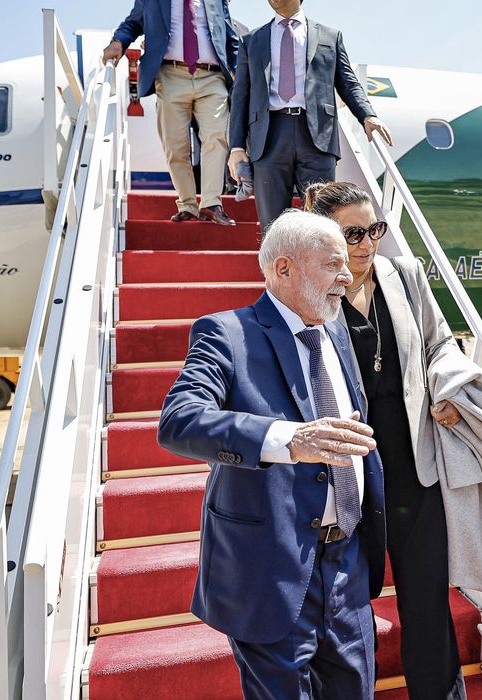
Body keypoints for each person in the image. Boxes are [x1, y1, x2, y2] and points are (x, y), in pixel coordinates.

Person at [157, 209, 387, 699]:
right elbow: (179, 421)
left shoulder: (336, 331)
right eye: (332, 264)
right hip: (270, 570)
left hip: (347, 565)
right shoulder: (226, 333)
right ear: (284, 269)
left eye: (347, 263)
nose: (348, 276)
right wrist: (287, 440)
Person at [304, 181, 480, 699]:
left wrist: (447, 388)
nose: (366, 243)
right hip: (346, 472)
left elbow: (439, 343)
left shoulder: (405, 275)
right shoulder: (311, 290)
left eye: (374, 229)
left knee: (427, 601)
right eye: (352, 233)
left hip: (413, 463)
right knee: (345, 609)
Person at [228, 0, 394, 230]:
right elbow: (240, 97)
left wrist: (367, 115)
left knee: (323, 224)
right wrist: (236, 148)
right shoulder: (252, 40)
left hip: (317, 137)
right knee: (273, 227)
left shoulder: (329, 37)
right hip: (268, 138)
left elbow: (347, 82)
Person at [104, 0, 239, 225]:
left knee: (216, 136)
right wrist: (118, 43)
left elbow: (228, 35)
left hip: (212, 76)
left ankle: (211, 202)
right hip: (171, 75)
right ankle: (187, 204)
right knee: (175, 145)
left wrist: (239, 71)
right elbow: (132, 23)